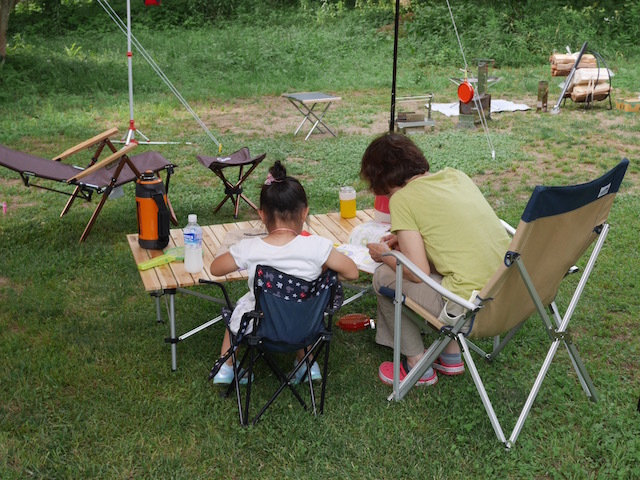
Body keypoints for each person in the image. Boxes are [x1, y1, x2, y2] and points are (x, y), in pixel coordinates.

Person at [360, 132, 511, 386]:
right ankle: (450, 356)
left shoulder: (403, 199)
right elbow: (453, 233)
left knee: (385, 277)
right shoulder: (455, 176)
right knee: (446, 269)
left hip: (470, 308)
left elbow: (414, 270)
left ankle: (416, 365)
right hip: (509, 293)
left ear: (379, 178)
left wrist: (384, 255)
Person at [210, 160, 359, 385]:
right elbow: (353, 272)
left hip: (261, 327)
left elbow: (215, 268)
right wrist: (325, 267)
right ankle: (308, 365)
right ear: (305, 213)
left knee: (242, 307)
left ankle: (226, 367)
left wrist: (238, 255)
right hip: (305, 325)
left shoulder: (249, 248)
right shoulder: (318, 247)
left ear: (262, 214)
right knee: (301, 301)